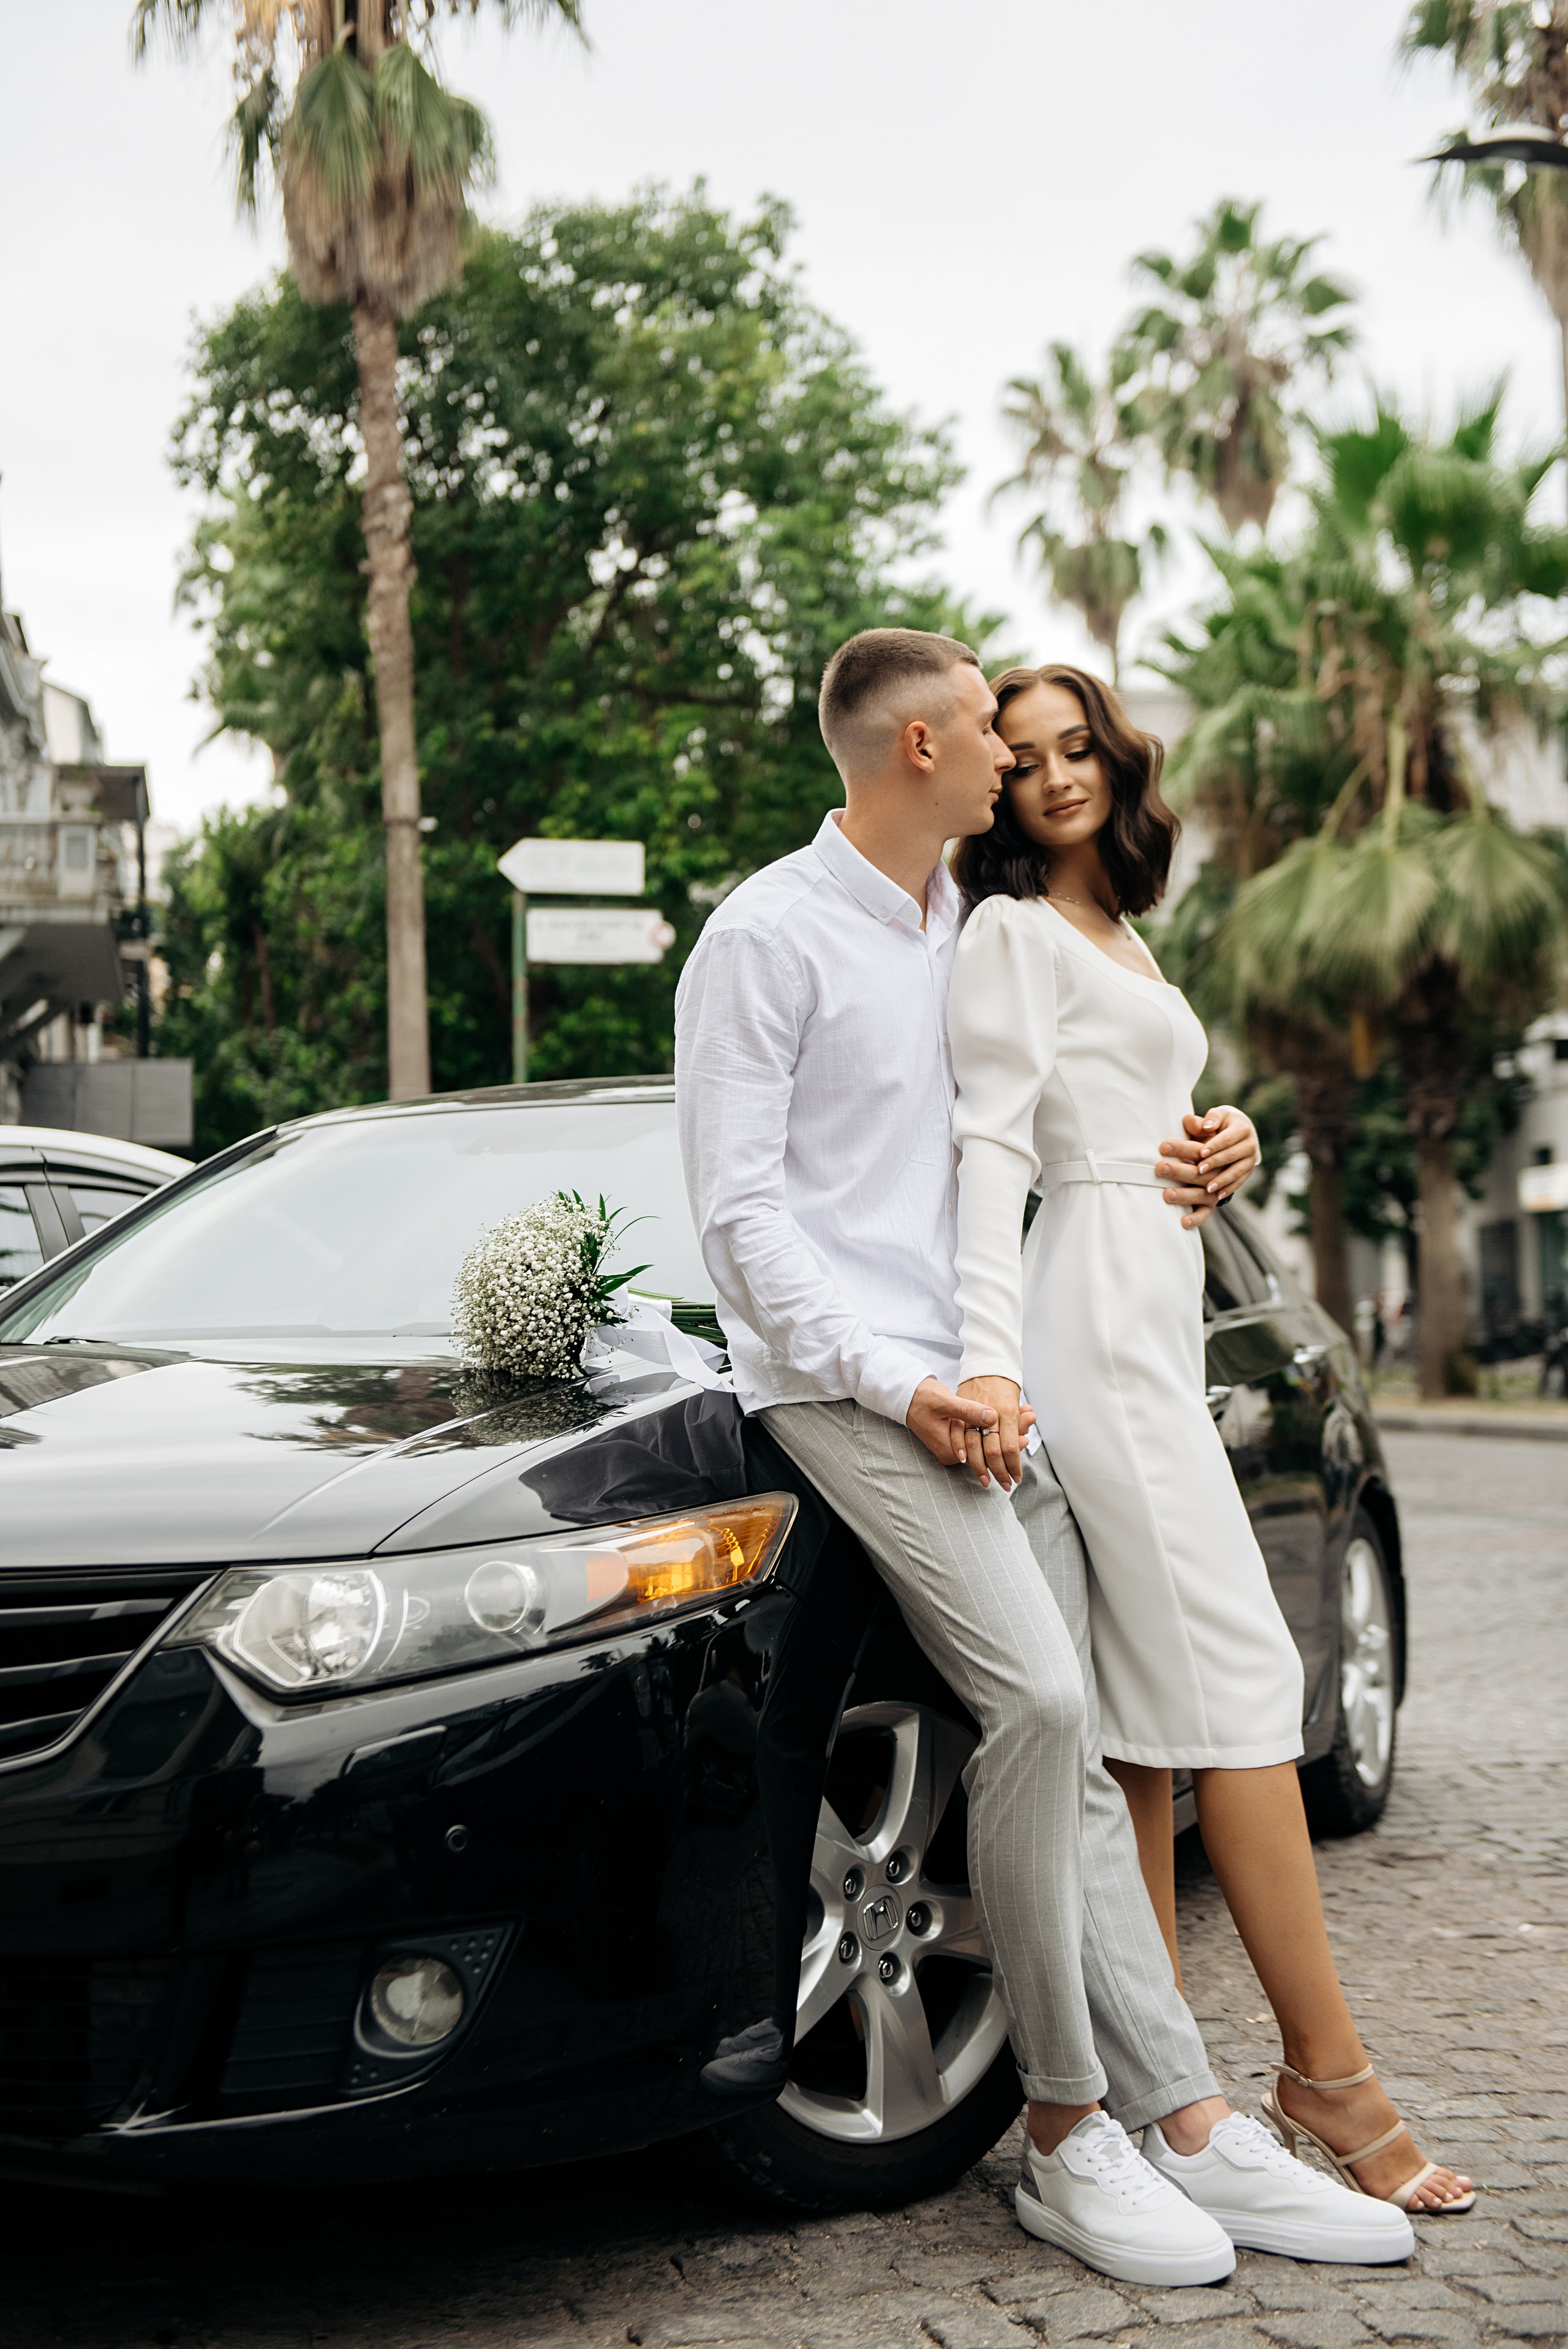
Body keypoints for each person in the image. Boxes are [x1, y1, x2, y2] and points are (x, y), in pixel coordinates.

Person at [676, 627, 1417, 2282]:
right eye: (990, 738)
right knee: (1049, 1700)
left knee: (1079, 1745)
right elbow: (739, 1224)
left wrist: (1204, 1147)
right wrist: (908, 1379)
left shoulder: (968, 926)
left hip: (992, 1382)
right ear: (920, 746)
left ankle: (1192, 2122)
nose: (1019, 764)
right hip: (844, 1389)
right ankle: (1067, 2130)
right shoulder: (765, 936)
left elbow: (1057, 1110)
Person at [946, 659, 1474, 2220]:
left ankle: (1169, 2108)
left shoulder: (1118, 930)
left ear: (1115, 758)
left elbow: (1133, 1122)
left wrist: (1225, 1136)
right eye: (1023, 757)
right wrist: (986, 1368)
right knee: (1242, 1682)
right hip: (1086, 1325)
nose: (1054, 776)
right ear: (997, 781)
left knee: (1138, 1720)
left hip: (1148, 1303)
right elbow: (989, 1151)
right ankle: (1326, 2076)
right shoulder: (1007, 930)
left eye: (1075, 748)